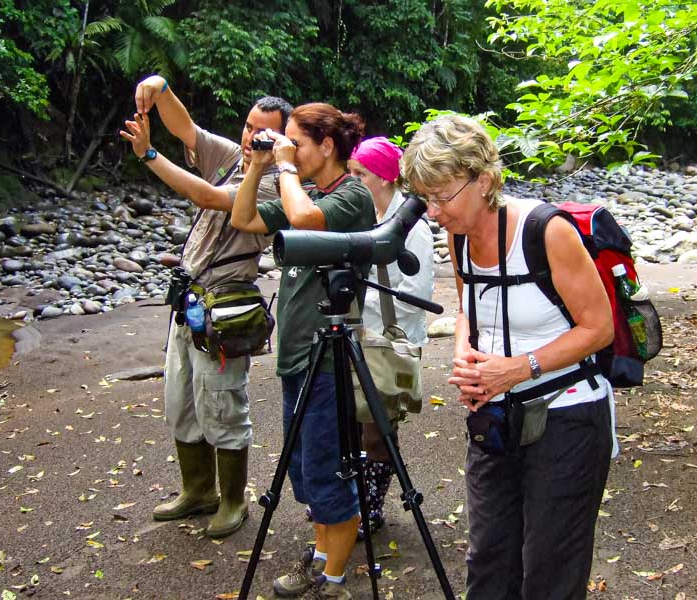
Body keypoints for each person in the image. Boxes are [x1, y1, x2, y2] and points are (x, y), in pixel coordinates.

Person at [401, 115, 615, 600]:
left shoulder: (546, 232)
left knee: (550, 570)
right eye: (425, 198)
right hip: (494, 416)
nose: (433, 212)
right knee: (489, 563)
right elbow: (468, 312)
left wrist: (520, 368)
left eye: (442, 195)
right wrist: (465, 357)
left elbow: (599, 328)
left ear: (483, 179)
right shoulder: (458, 236)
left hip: (568, 417)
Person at [119, 74, 292, 539]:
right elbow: (187, 130)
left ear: (282, 140)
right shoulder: (232, 156)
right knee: (180, 402)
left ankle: (233, 499)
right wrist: (160, 89)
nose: (251, 136)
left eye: (264, 132)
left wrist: (149, 156)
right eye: (248, 125)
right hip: (189, 302)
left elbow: (206, 196)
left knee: (222, 406)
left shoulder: (278, 185)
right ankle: (198, 490)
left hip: (227, 310)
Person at [231, 103, 374, 600]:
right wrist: (256, 165)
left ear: (327, 146)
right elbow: (244, 217)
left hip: (329, 358)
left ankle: (333, 582)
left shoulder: (352, 196)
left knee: (326, 467)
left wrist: (285, 167)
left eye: (297, 141)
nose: (287, 148)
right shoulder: (305, 188)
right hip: (297, 356)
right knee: (302, 469)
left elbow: (307, 222)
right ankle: (319, 559)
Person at [347, 137, 434, 538]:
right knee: (354, 422)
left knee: (378, 425)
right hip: (360, 335)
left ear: (384, 177)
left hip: (386, 341)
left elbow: (415, 299)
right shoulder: (368, 215)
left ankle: (371, 506)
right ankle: (353, 504)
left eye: (360, 174)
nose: (353, 181)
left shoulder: (412, 226)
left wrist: (365, 313)